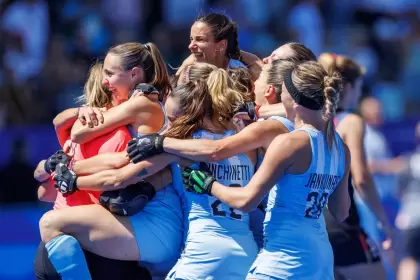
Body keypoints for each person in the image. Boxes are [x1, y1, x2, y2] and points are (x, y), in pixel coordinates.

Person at [140, 60, 351, 279]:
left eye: (284, 94)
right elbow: (341, 212)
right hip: (322, 259)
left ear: (294, 100)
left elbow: (246, 201)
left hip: (283, 260)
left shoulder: (289, 143)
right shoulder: (340, 147)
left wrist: (208, 184)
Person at [37, 42, 181, 280]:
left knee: (51, 223)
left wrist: (74, 178)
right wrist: (79, 113)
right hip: (142, 217)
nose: (104, 82)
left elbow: (79, 133)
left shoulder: (142, 103)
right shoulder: (139, 104)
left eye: (110, 74)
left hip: (155, 220)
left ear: (134, 74)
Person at [318, 53, 392, 280]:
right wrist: (383, 219)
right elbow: (361, 178)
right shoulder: (351, 121)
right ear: (348, 87)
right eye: (359, 87)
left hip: (314, 223)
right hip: (344, 224)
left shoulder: (310, 119)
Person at [177, 12, 263, 80]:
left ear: (221, 45)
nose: (190, 46)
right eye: (192, 39)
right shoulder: (188, 74)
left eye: (200, 39)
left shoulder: (241, 76)